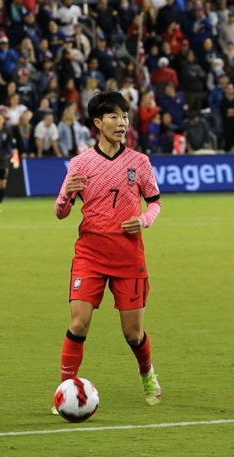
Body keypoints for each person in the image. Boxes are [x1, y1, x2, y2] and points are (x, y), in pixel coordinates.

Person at [52, 91, 162, 415]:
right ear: (98, 123)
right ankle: (65, 391)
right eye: (114, 117)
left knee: (133, 332)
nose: (122, 122)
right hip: (90, 255)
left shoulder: (139, 163)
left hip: (129, 257)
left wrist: (143, 220)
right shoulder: (80, 164)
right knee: (78, 323)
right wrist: (66, 198)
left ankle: (147, 373)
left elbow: (155, 202)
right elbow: (60, 212)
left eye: (125, 116)